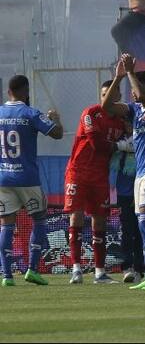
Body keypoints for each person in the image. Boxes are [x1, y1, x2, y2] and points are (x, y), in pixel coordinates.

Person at [101, 55, 145, 290]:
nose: (132, 92)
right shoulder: (135, 110)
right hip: (141, 173)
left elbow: (143, 95)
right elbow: (107, 107)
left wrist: (131, 73)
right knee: (143, 224)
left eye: (135, 86)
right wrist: (119, 76)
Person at [0, 75, 63, 287]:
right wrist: (55, 119)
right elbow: (57, 134)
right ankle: (32, 270)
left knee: (6, 225)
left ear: (8, 91)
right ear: (26, 91)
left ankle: (7, 275)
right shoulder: (30, 113)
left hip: (3, 178)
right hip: (27, 178)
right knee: (40, 219)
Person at [65, 80, 127, 285]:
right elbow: (96, 144)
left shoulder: (121, 121)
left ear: (117, 96)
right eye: (102, 94)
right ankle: (76, 269)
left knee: (99, 221)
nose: (104, 98)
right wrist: (121, 145)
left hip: (100, 176)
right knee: (76, 218)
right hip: (78, 173)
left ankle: (99, 272)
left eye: (108, 94)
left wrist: (129, 137)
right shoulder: (90, 113)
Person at [112, 133, 145, 283]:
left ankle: (140, 268)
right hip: (124, 194)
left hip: (142, 191)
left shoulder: (143, 136)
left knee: (141, 231)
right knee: (127, 231)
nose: (127, 124)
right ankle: (127, 268)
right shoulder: (117, 139)